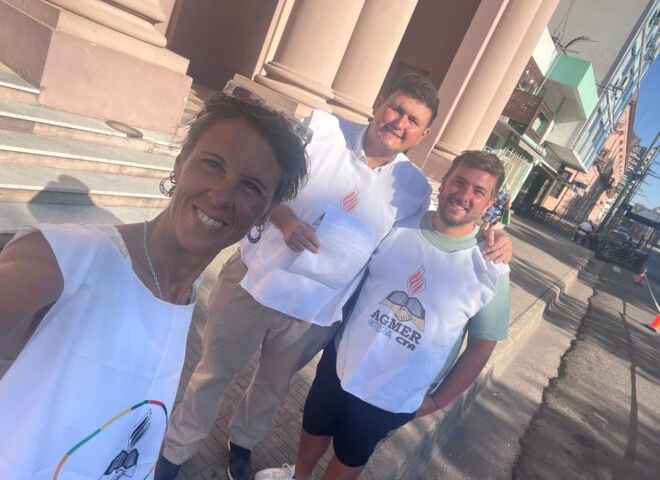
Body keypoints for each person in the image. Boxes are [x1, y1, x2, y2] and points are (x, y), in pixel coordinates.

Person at [157, 74, 513, 480]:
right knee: (213, 373)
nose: (400, 123)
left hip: (314, 314)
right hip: (254, 283)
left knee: (272, 388)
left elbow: (437, 232)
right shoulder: (321, 131)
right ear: (378, 103)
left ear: (423, 134)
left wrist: (495, 235)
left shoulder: (412, 187)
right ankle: (177, 449)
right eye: (396, 109)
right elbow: (259, 183)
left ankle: (241, 444)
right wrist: (286, 221)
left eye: (413, 120)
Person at [0, 81, 309, 480]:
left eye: (250, 186)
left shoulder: (183, 292)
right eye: (212, 164)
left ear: (266, 212)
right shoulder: (62, 260)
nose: (220, 194)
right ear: (180, 163)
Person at [255, 150, 511, 480]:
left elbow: (481, 348)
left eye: (478, 190)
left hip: (393, 390)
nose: (464, 195)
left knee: (350, 454)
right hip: (343, 360)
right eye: (459, 182)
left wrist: (437, 401)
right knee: (315, 425)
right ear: (445, 180)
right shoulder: (397, 226)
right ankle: (298, 476)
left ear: (490, 202)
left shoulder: (490, 267)